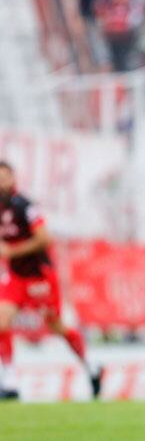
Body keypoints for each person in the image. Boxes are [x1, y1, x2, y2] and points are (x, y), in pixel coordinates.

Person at [0, 162, 102, 399]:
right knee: (1, 321)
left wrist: (12, 252)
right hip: (15, 276)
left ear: (13, 179)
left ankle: (91, 364)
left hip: (39, 275)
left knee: (56, 326)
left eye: (5, 178)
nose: (2, 183)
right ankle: (11, 380)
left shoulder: (24, 206)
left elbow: (44, 238)